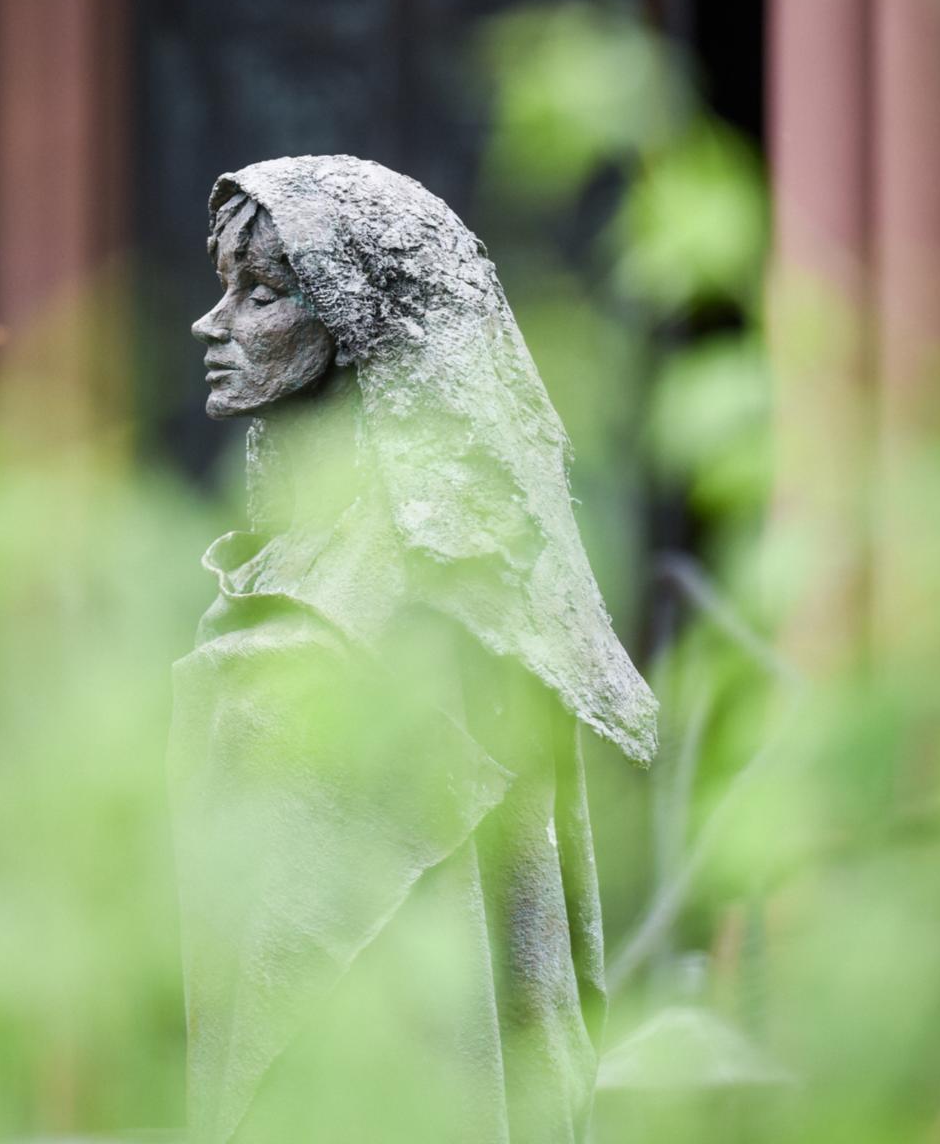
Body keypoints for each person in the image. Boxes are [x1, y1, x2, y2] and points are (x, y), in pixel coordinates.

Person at [169, 156, 656, 1143]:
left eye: (259, 294)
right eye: (224, 289)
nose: (210, 325)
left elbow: (465, 912)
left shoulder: (441, 590)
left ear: (353, 326)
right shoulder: (289, 559)